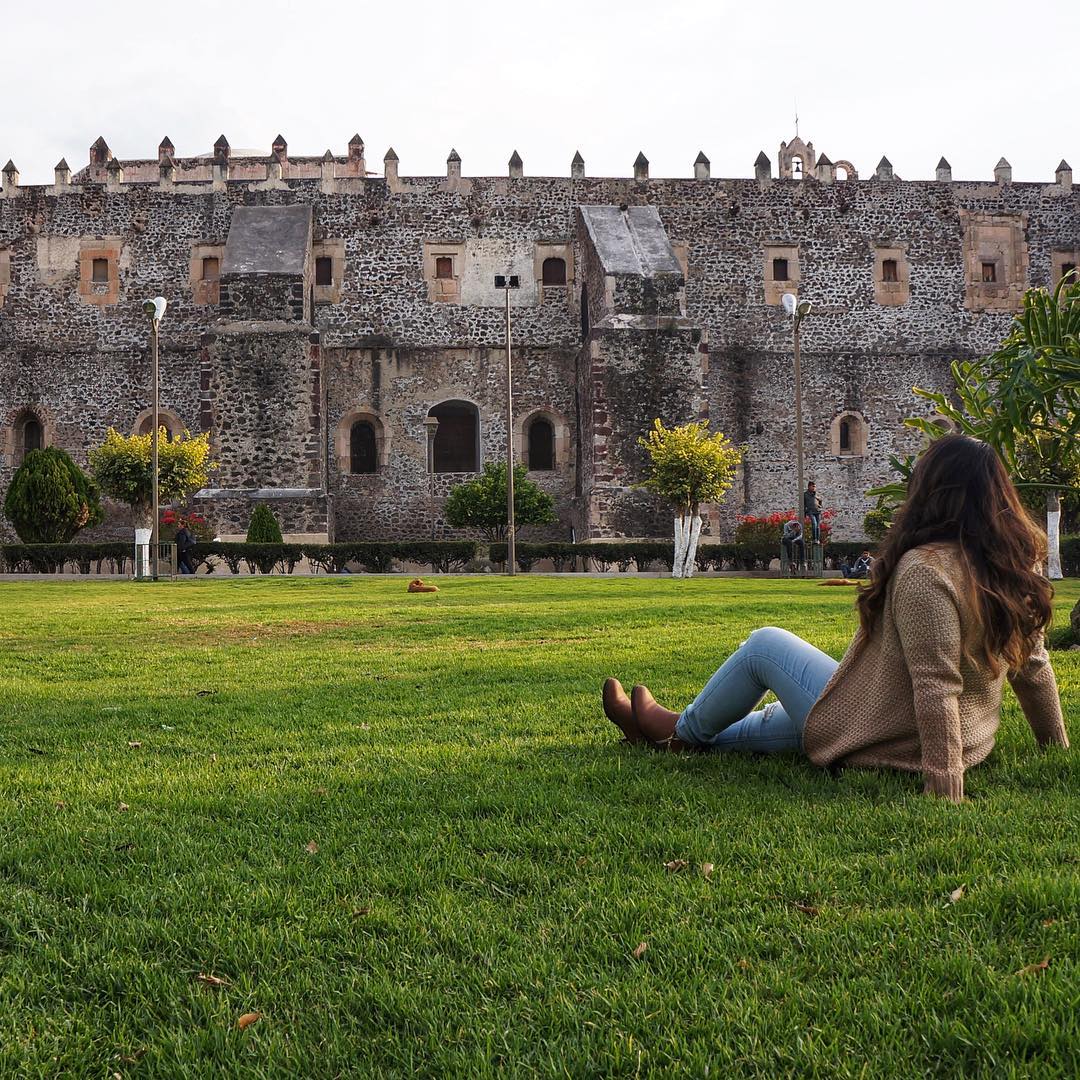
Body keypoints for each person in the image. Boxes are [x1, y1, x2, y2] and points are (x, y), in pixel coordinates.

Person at [601, 436, 1068, 802]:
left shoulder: (927, 569)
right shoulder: (1013, 567)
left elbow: (935, 686)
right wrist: (1056, 750)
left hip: (896, 739)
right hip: (962, 738)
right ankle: (669, 731)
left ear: (931, 492)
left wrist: (944, 789)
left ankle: (679, 733)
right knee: (782, 721)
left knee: (765, 646)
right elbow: (1035, 671)